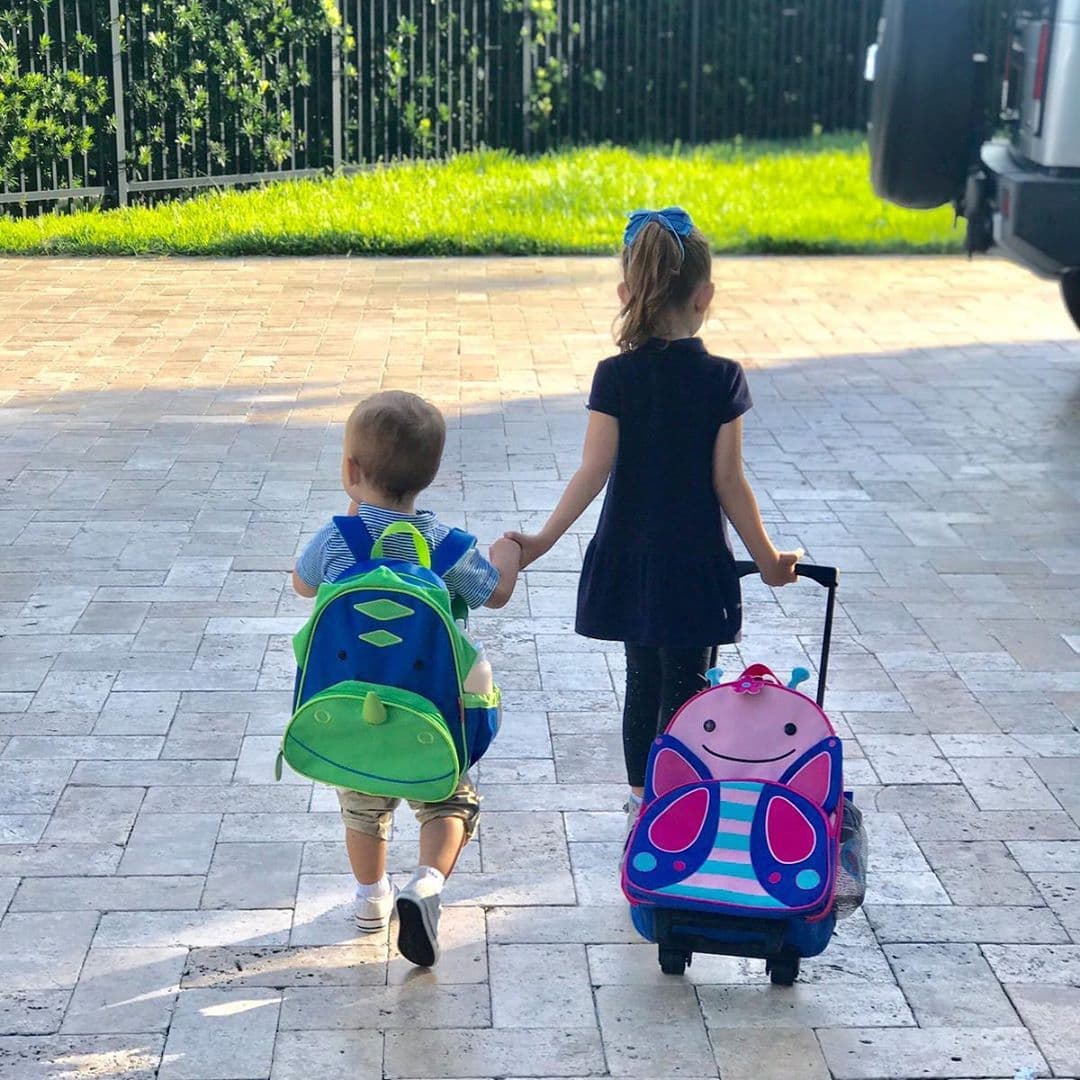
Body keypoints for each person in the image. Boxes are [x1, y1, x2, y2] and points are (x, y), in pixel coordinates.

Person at [505, 207, 801, 828]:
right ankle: (679, 807)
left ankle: (645, 807)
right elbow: (729, 482)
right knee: (689, 686)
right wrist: (771, 561)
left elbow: (592, 471)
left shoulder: (615, 376)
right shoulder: (722, 378)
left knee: (642, 680)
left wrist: (541, 540)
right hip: (694, 563)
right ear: (705, 296)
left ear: (626, 293)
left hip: (630, 560)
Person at [292, 390, 521, 966]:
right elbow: (495, 592)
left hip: (354, 709)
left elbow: (302, 584)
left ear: (350, 470)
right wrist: (508, 552)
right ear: (430, 474)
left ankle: (370, 899)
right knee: (448, 802)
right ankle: (426, 883)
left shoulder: (337, 538)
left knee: (362, 805)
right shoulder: (445, 545)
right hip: (432, 712)